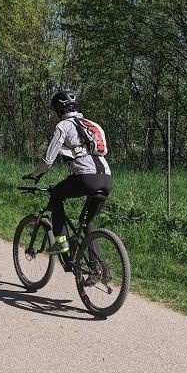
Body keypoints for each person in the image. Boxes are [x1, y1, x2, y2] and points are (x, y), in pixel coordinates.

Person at [23, 90, 112, 255]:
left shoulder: (63, 126)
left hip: (85, 177)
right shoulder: (94, 125)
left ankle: (61, 242)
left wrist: (36, 174)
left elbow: (48, 159)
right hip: (106, 178)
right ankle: (97, 269)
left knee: (56, 195)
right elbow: (103, 150)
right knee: (86, 223)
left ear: (58, 109)